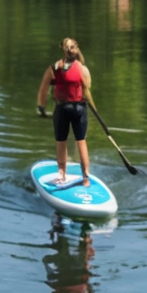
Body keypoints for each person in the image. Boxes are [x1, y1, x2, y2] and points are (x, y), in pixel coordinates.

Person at [35, 38, 92, 187]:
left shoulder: (54, 68)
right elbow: (87, 89)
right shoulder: (83, 69)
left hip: (62, 109)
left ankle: (62, 174)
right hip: (79, 109)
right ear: (76, 49)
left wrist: (41, 107)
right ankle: (86, 178)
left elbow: (43, 90)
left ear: (63, 50)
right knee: (81, 141)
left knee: (61, 141)